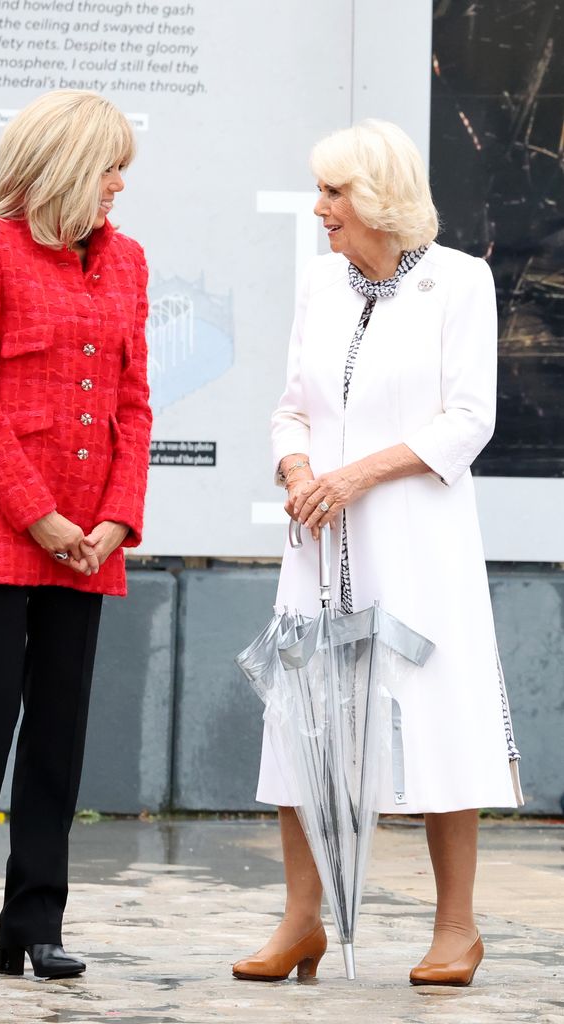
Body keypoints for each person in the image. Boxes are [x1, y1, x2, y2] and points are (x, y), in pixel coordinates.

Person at [233, 119, 523, 987]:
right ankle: (300, 923)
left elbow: (469, 419)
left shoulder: (458, 282)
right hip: (318, 540)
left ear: (379, 199)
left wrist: (354, 474)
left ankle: (456, 929)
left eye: (332, 192)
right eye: (319, 191)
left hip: (415, 539)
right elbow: (292, 405)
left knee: (436, 716)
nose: (319, 208)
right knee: (302, 720)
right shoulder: (321, 285)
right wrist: (295, 466)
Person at [0, 90, 152, 981]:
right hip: (0, 526)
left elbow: (133, 404)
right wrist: (41, 516)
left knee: (60, 734)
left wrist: (113, 521)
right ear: (61, 165)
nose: (119, 184)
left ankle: (36, 924)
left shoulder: (126, 260)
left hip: (89, 537)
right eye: (107, 166)